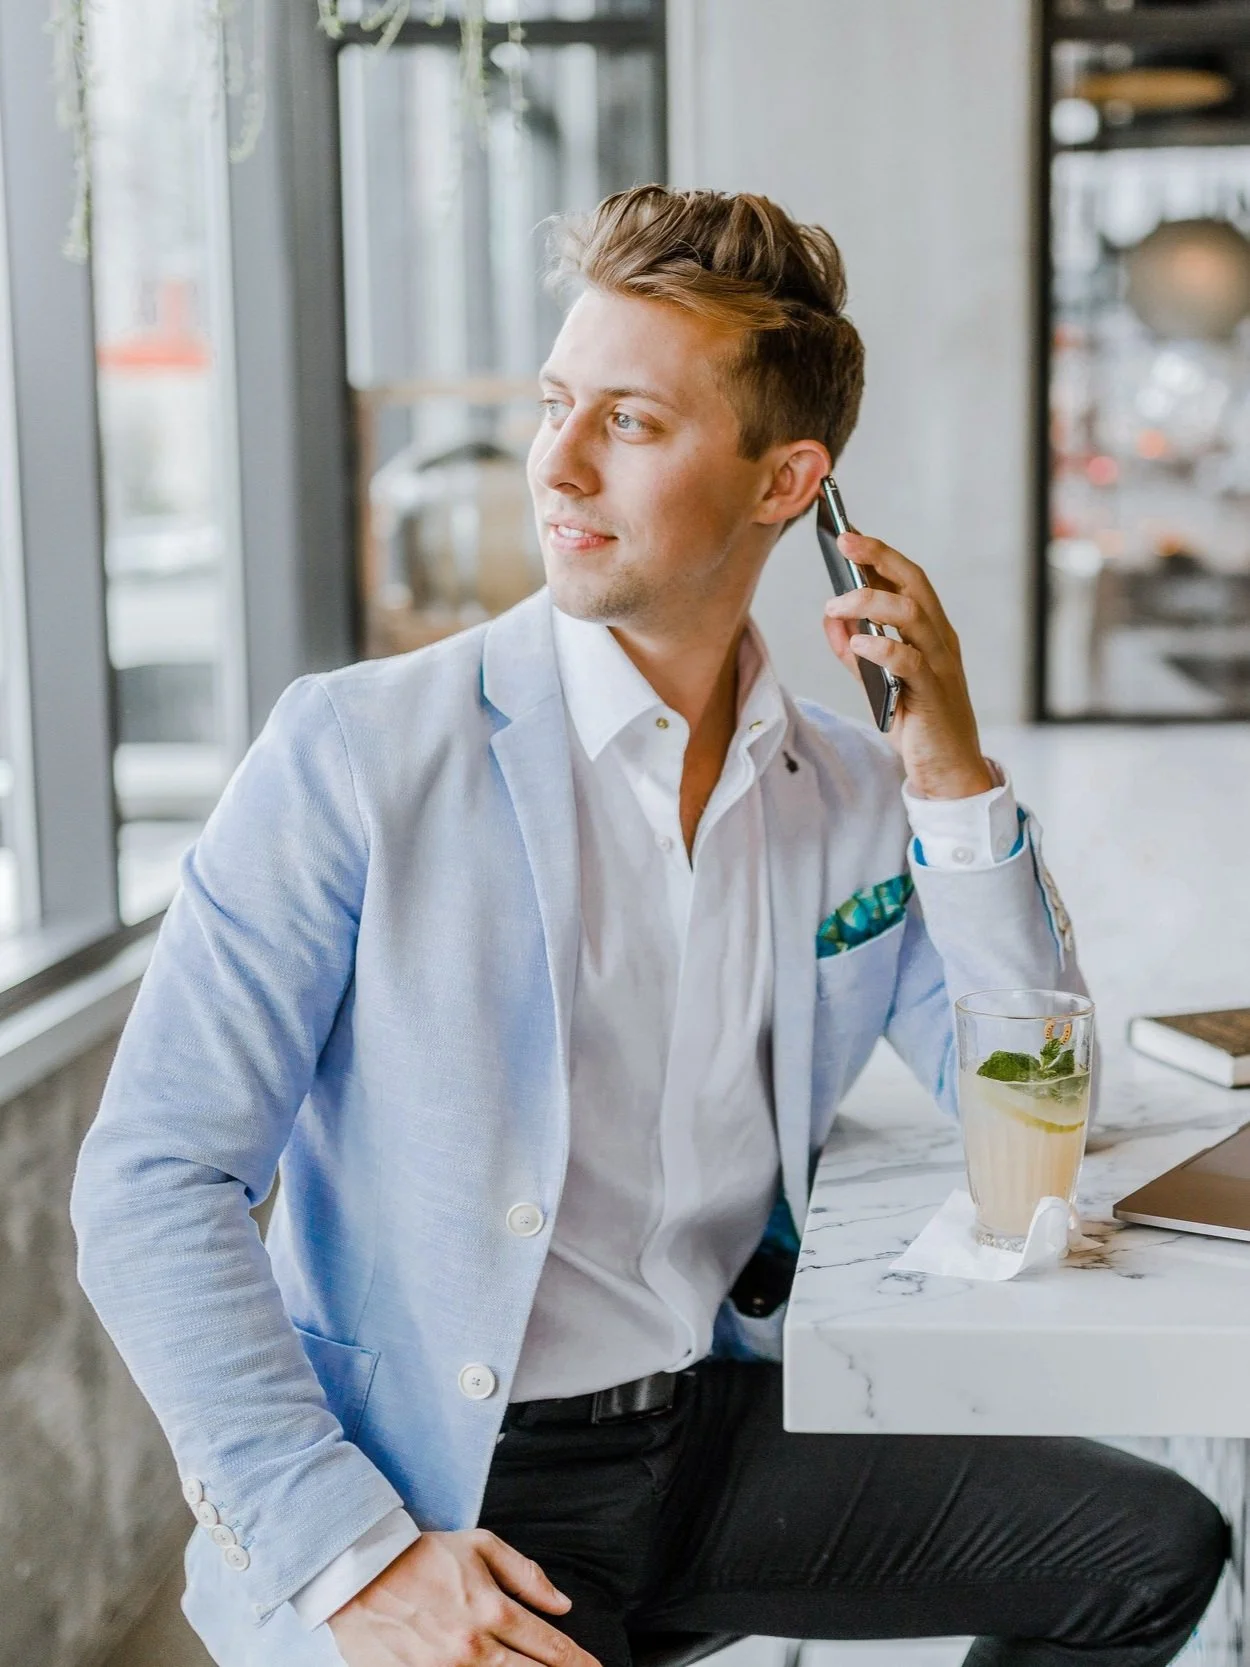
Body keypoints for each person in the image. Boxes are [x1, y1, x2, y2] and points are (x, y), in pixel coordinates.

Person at [71, 186, 1226, 1667]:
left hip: (707, 1433)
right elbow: (152, 1182)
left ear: (784, 481)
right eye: (557, 402)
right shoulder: (356, 752)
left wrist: (947, 771)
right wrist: (348, 1552)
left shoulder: (850, 791)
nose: (551, 461)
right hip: (448, 1488)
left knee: (1147, 1552)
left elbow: (1032, 1110)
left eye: (627, 421)